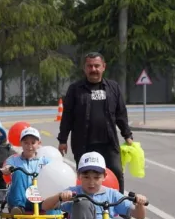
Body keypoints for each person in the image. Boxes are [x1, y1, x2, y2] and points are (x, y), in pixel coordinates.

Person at [57, 52, 134, 192]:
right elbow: (67, 116)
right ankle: (87, 207)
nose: (93, 69)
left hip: (108, 142)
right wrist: (63, 140)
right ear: (84, 68)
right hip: (83, 143)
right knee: (86, 176)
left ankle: (119, 206)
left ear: (103, 67)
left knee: (116, 172)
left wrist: (127, 134)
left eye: (97, 66)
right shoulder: (75, 89)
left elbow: (120, 113)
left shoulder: (113, 87)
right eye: (90, 66)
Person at [2, 128, 61, 219]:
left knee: (51, 182)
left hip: (42, 200)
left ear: (38, 144)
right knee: (19, 172)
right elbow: (6, 166)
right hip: (22, 199)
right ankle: (18, 209)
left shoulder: (44, 161)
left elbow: (55, 172)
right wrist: (7, 169)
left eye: (33, 143)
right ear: (21, 143)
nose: (29, 146)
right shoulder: (14, 160)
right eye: (26, 143)